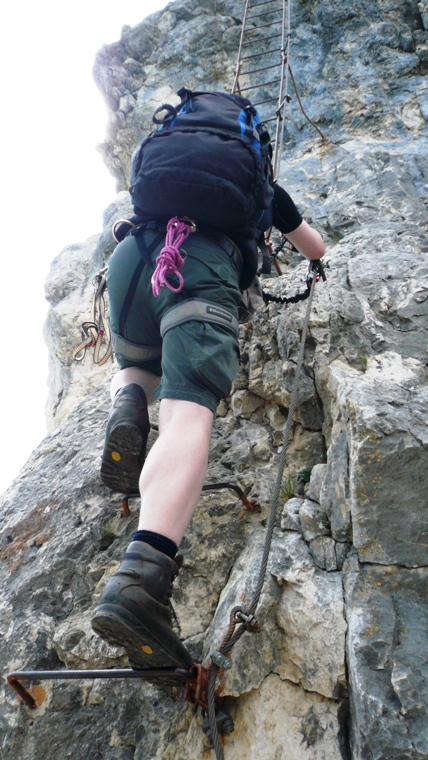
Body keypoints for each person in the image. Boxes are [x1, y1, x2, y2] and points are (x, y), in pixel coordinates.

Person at [91, 181, 325, 672]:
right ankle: (141, 580)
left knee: (136, 366)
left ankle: (128, 404)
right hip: (197, 265)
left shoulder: (169, 169)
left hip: (130, 260)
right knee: (187, 412)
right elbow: (315, 249)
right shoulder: (258, 181)